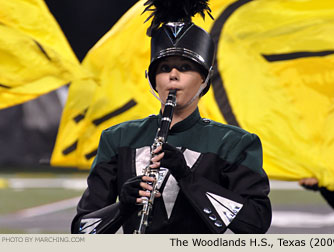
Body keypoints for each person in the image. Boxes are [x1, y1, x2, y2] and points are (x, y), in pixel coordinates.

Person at [71, 0, 272, 234]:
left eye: (185, 67)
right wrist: (123, 206)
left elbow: (256, 223)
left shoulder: (235, 143)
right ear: (152, 78)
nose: (173, 76)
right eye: (164, 68)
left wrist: (187, 177)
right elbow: (81, 230)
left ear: (205, 79)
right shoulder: (118, 138)